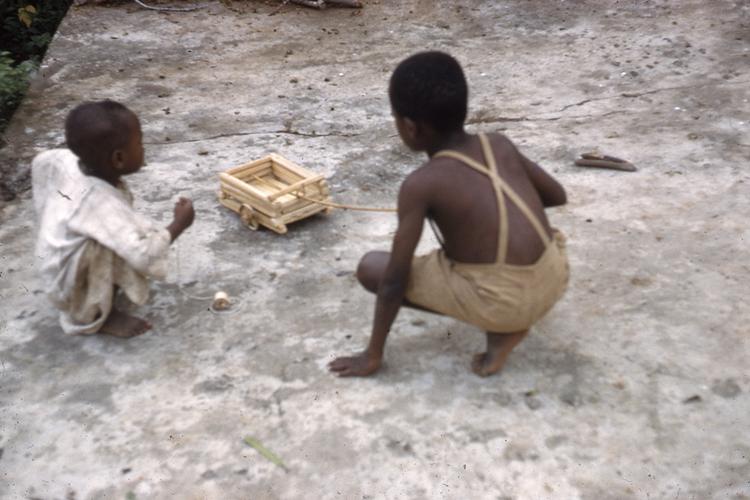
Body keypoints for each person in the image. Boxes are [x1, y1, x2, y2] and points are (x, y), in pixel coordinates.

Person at [329, 51, 569, 377]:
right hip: (554, 276)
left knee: (371, 268)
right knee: (458, 263)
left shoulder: (422, 184)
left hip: (504, 304)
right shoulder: (498, 143)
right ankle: (510, 314)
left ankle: (504, 329)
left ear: (410, 128)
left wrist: (372, 354)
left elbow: (394, 279)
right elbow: (557, 195)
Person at [32, 100, 194, 338]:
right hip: (66, 287)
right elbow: (144, 256)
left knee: (113, 237)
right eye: (139, 143)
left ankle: (100, 283)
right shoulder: (101, 204)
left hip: (51, 262)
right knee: (118, 243)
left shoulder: (70, 161)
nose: (143, 147)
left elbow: (42, 162)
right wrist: (179, 223)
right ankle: (99, 314)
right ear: (118, 158)